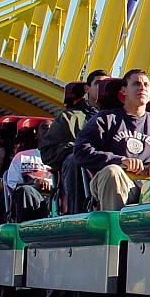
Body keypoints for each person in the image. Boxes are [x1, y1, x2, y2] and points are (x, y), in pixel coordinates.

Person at [73, 69, 150, 211]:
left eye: (146, 85)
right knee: (112, 171)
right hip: (117, 180)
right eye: (136, 84)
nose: (142, 87)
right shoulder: (105, 119)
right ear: (123, 91)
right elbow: (81, 151)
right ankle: (115, 230)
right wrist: (120, 161)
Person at [40, 68, 109, 213]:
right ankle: (78, 213)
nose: (102, 88)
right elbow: (48, 153)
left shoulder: (120, 116)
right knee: (75, 158)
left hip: (113, 166)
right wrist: (78, 148)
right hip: (83, 170)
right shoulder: (69, 117)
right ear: (87, 89)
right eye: (97, 84)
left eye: (106, 85)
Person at [4, 122, 52, 221]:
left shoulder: (62, 157)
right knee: (24, 190)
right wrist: (34, 182)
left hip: (55, 197)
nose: (48, 129)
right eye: (44, 127)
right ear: (36, 135)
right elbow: (13, 186)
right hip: (30, 198)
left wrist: (48, 185)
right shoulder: (22, 156)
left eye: (52, 128)